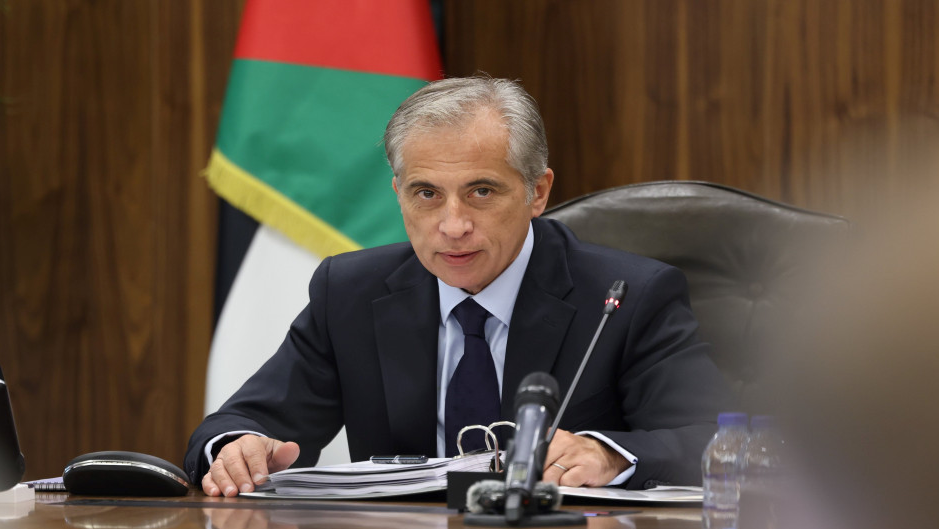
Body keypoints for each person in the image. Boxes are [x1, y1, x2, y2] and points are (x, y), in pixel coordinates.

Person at [185, 76, 730, 497]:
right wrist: (238, 448)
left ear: (537, 193)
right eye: (426, 194)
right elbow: (239, 423)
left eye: (481, 192)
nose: (452, 226)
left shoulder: (626, 297)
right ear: (398, 193)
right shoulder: (350, 291)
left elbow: (718, 440)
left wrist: (610, 455)